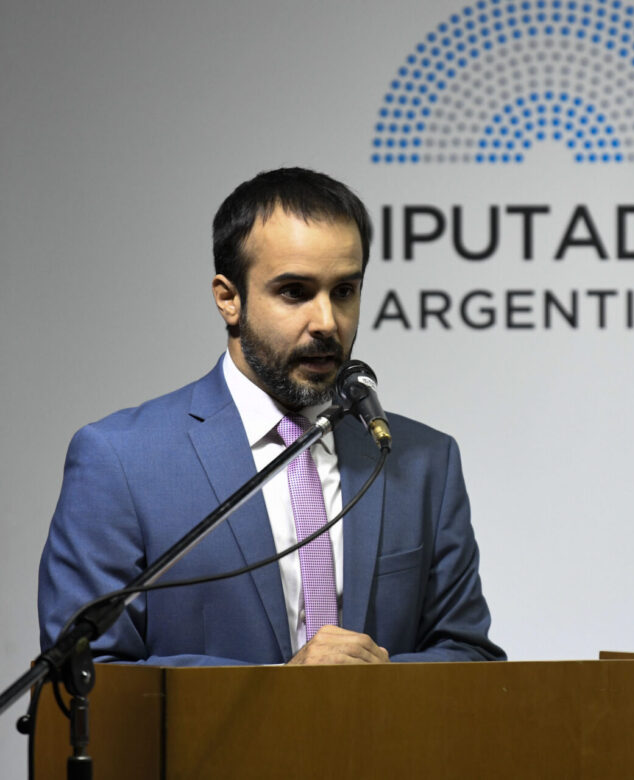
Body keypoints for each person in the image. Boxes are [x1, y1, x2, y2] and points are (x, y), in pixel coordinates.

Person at [38, 167, 504, 665]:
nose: (327, 322)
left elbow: (468, 654)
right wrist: (282, 691)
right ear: (228, 298)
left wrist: (377, 684)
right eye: (294, 292)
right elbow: (87, 673)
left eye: (344, 291)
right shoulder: (122, 461)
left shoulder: (423, 460)